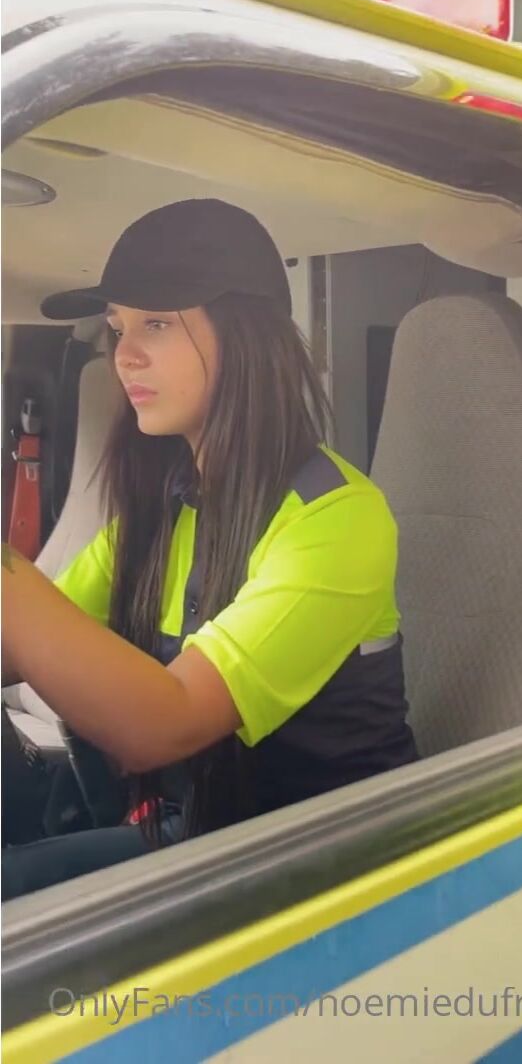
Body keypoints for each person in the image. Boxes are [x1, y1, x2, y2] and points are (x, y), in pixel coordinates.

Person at [1, 199, 418, 899]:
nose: (124, 354)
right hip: (208, 835)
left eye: (158, 324)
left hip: (327, 864)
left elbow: (166, 724)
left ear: (248, 337)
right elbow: (26, 640)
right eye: (118, 328)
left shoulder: (338, 518)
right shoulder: (164, 508)